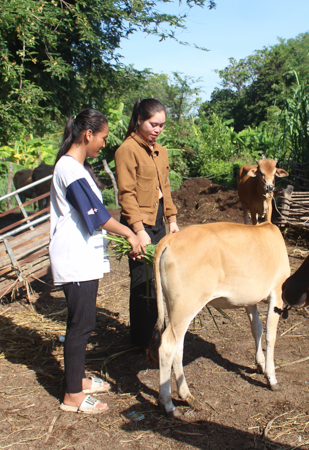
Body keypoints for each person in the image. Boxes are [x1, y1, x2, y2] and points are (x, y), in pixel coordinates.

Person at [50, 109, 143, 414]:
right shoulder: (70, 169)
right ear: (88, 134)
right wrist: (129, 233)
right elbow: (97, 216)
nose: (104, 143)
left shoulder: (75, 167)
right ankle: (72, 396)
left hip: (82, 257)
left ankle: (77, 380)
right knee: (81, 325)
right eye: (102, 137)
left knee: (82, 322)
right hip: (74, 258)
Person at [114, 99, 179, 351]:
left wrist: (172, 220)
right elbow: (126, 194)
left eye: (161, 125)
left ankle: (158, 333)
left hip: (158, 221)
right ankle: (141, 341)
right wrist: (139, 230)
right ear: (139, 119)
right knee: (142, 280)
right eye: (153, 124)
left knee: (160, 279)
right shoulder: (127, 150)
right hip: (138, 224)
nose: (158, 129)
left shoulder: (160, 151)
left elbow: (166, 188)